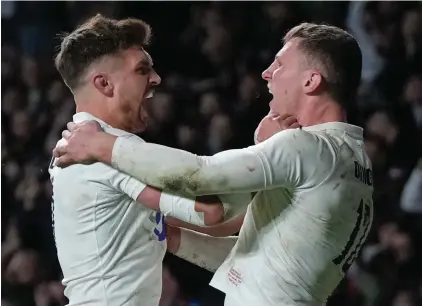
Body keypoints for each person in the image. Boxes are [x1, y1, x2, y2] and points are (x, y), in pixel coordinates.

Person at [54, 22, 374, 306]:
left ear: (311, 82)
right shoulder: (356, 162)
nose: (266, 73)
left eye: (279, 64)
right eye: (142, 69)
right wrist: (169, 236)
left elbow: (205, 181)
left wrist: (101, 145)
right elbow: (254, 260)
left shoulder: (306, 148)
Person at [49, 14, 251, 306]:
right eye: (143, 70)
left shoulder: (77, 147)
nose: (156, 78)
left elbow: (202, 222)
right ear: (105, 84)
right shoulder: (108, 153)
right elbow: (212, 211)